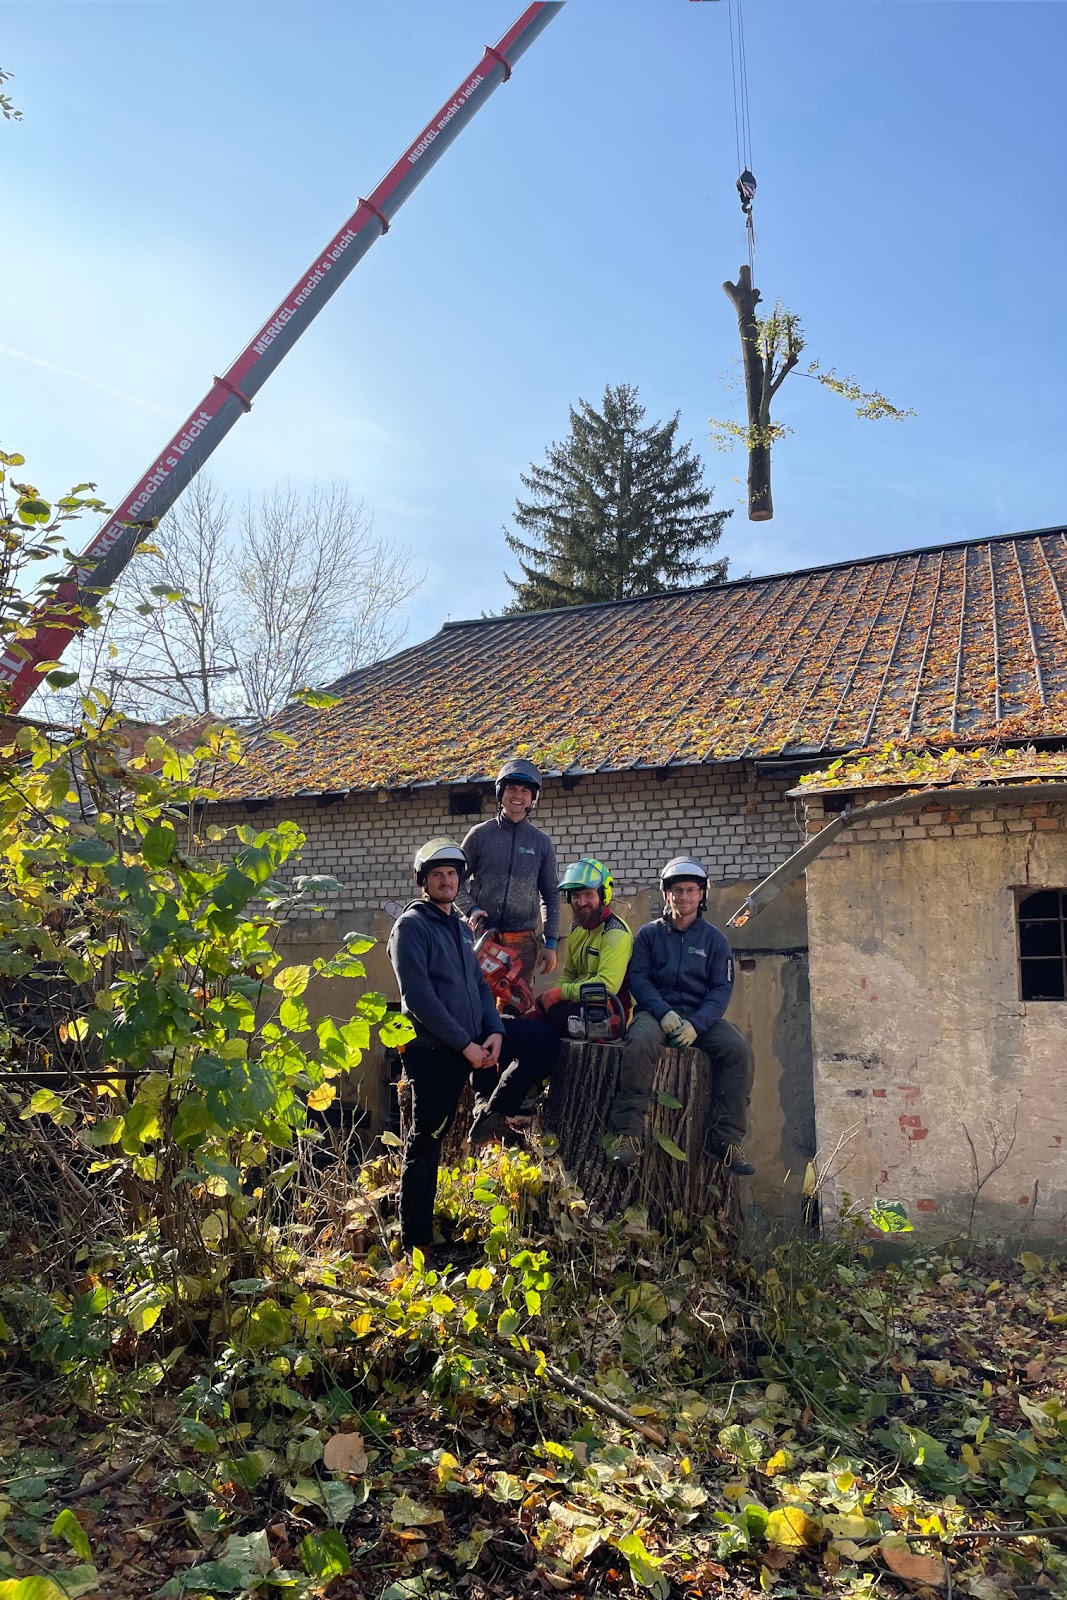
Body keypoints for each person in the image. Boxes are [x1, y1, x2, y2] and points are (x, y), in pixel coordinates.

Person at [387, 837, 557, 1262]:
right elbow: (419, 999)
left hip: (474, 1036)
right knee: (426, 1142)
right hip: (433, 1049)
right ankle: (417, 1244)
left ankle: (493, 1110)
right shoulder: (411, 927)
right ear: (423, 880)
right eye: (438, 875)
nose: (447, 881)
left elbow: (480, 985)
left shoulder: (462, 929)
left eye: (452, 874)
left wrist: (494, 1030)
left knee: (540, 1039)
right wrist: (466, 1045)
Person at [607, 855, 755, 1175]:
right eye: (677, 890)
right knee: (639, 1042)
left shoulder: (715, 940)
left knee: (738, 1049)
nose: (684, 896)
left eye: (691, 890)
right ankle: (628, 1135)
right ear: (667, 894)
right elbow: (639, 979)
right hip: (656, 1013)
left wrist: (697, 1025)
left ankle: (725, 1139)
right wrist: (662, 1012)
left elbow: (721, 990)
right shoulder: (648, 935)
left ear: (702, 894)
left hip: (699, 1017)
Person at [458, 758, 560, 985]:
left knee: (516, 1000)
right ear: (500, 793)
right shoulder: (479, 835)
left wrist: (551, 941)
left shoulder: (541, 842)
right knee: (477, 998)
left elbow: (551, 895)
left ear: (533, 798)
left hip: (522, 940)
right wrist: (470, 909)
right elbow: (455, 882)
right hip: (481, 935)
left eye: (525, 791)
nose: (518, 795)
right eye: (511, 788)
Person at [538, 858, 632, 1038]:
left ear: (604, 895)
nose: (581, 902)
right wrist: (551, 997)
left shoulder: (615, 933)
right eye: (576, 896)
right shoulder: (576, 928)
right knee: (539, 1012)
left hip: (612, 1012)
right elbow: (570, 973)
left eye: (589, 894)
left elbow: (606, 986)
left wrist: (561, 993)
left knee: (550, 1025)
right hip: (580, 1004)